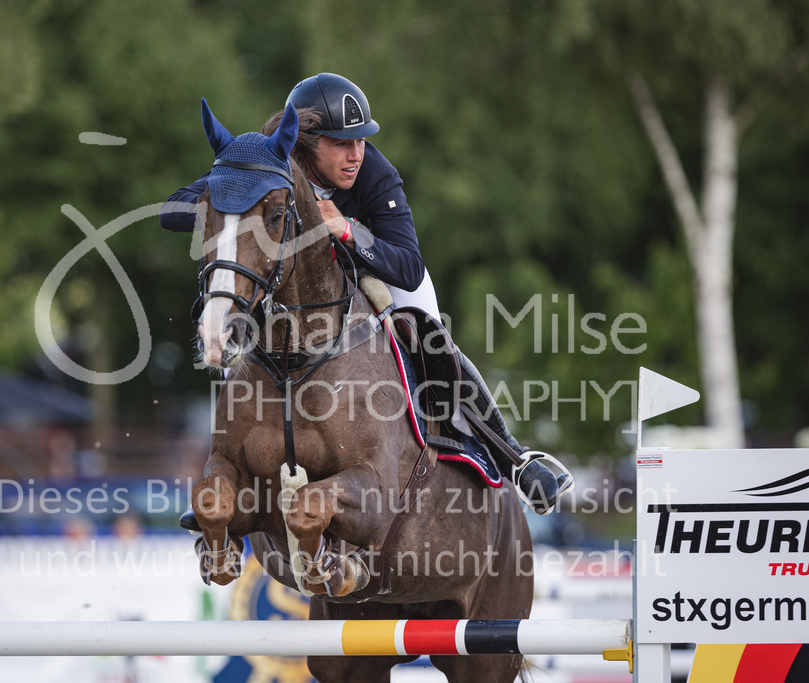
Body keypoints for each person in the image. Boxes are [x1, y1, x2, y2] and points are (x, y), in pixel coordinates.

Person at [162, 73, 568, 516]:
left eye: (359, 140)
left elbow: (409, 268)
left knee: (427, 330)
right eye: (340, 143)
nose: (355, 154)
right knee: (231, 324)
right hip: (292, 286)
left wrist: (348, 231)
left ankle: (514, 457)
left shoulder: (375, 172)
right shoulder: (269, 157)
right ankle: (228, 468)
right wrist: (228, 200)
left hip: (370, 271)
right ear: (305, 141)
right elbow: (171, 211)